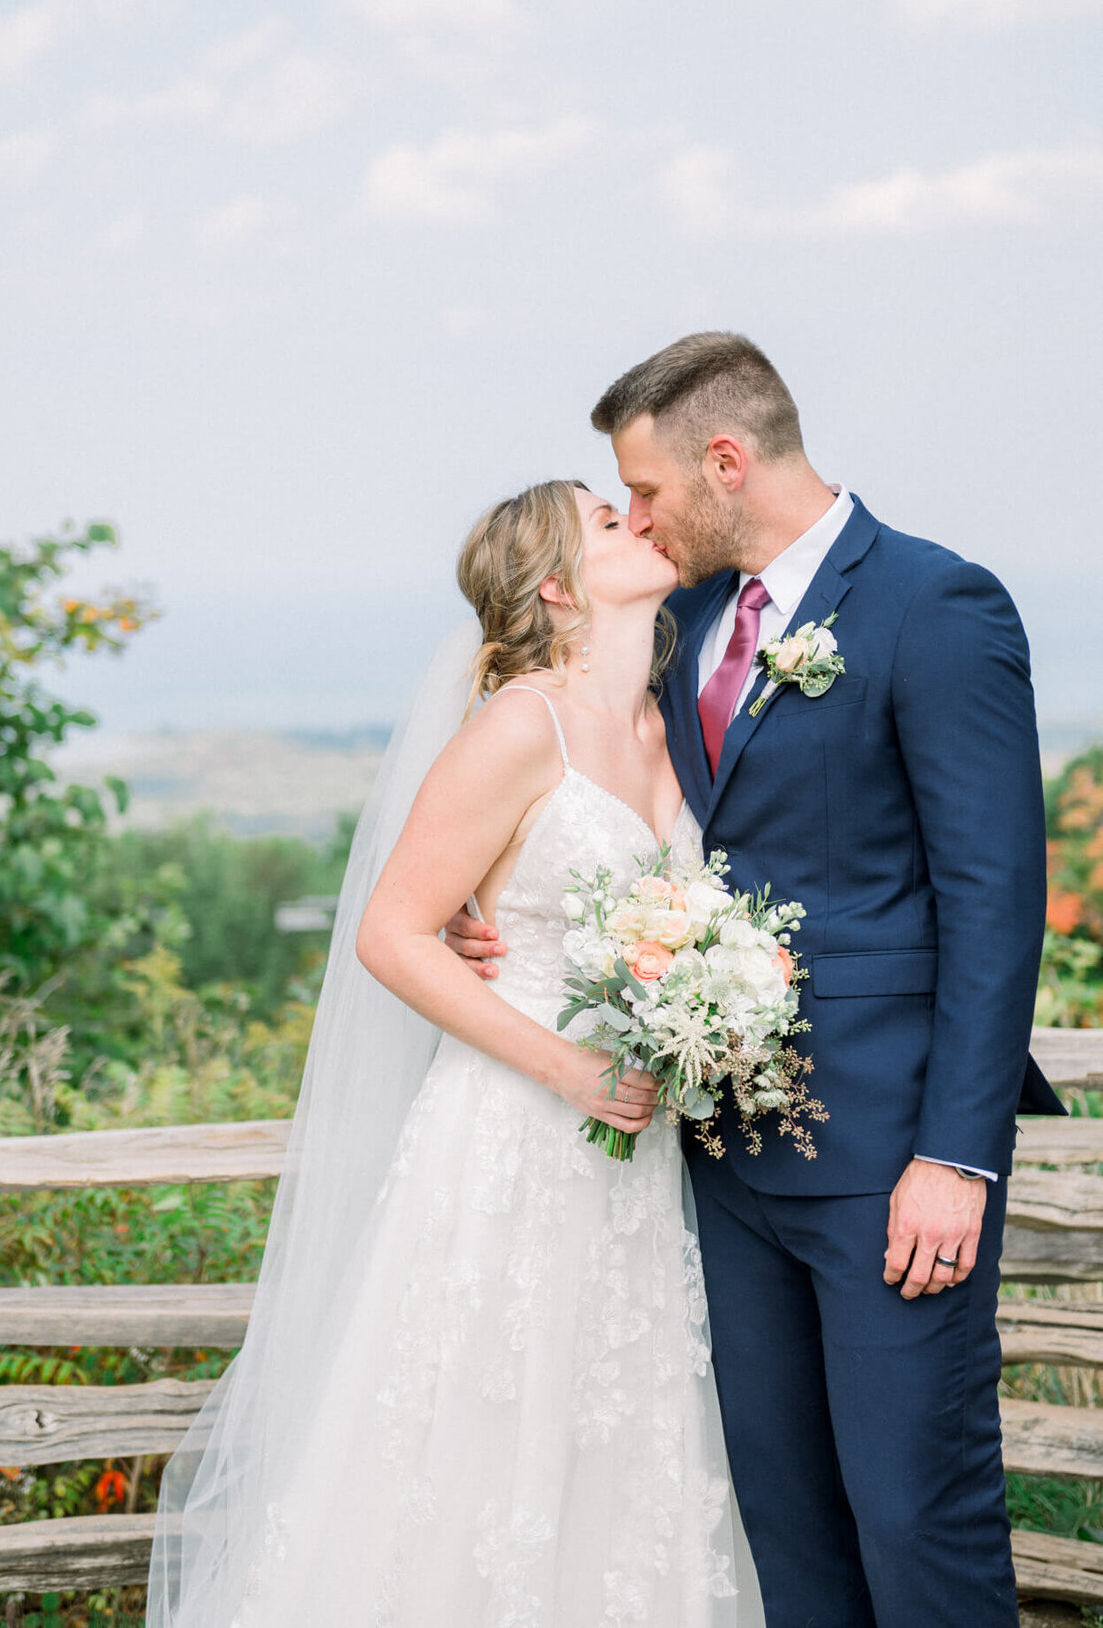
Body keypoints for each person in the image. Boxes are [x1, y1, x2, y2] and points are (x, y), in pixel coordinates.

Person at [449, 332, 1064, 1628]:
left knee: (914, 1515)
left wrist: (959, 1157)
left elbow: (995, 901)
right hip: (717, 1164)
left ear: (725, 460)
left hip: (889, 1163)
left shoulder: (934, 606)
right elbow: (581, 779)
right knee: (784, 1522)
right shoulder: (678, 617)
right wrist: (480, 899)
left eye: (650, 492)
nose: (642, 520)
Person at [147, 479, 762, 1628]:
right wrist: (565, 1067)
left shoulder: (667, 718)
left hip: (640, 1163)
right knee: (477, 1452)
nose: (638, 517)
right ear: (554, 585)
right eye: (607, 518)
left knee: (618, 1453)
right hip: (512, 1142)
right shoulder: (521, 725)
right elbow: (392, 932)